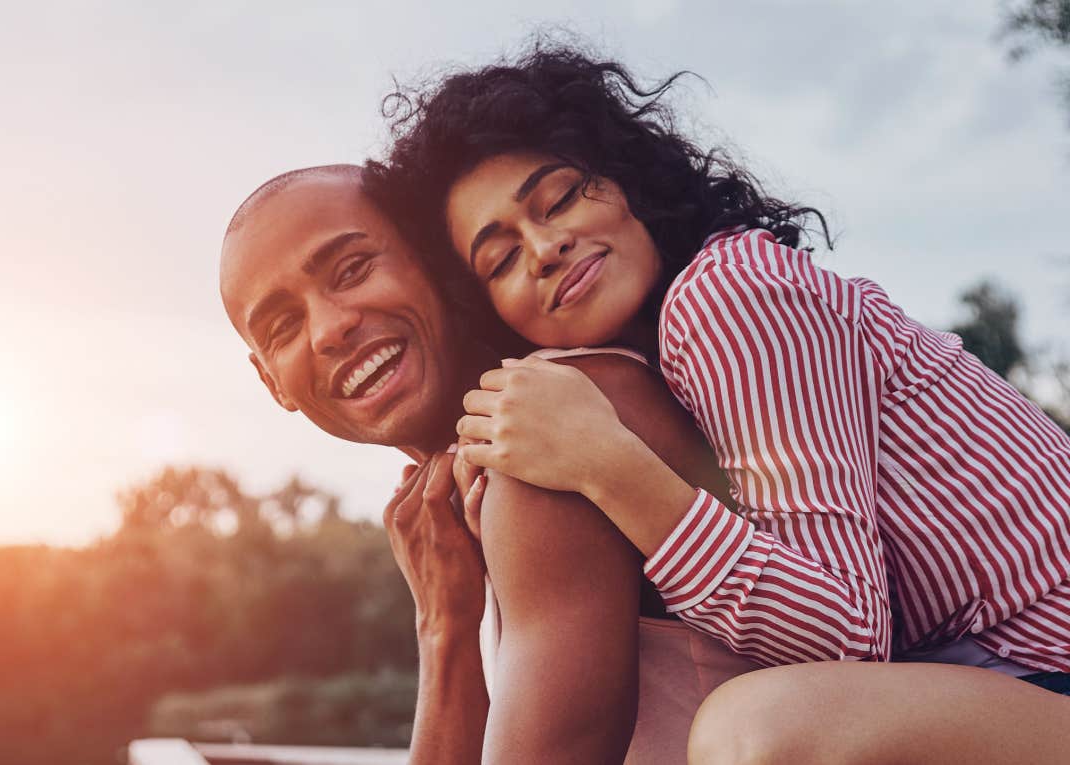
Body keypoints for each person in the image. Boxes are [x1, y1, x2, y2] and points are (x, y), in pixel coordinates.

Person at [365, 43, 1070, 762]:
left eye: (562, 196)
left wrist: (608, 465)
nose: (545, 246)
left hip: (1049, 663)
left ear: (625, 180)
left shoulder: (726, 294)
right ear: (492, 312)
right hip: (1008, 683)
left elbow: (851, 640)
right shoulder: (654, 368)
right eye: (501, 258)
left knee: (754, 727)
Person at [218, 164, 757, 763]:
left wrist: (443, 634)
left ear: (439, 259)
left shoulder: (550, 439)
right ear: (273, 385)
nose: (329, 328)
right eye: (285, 326)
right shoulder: (478, 479)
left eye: (352, 270)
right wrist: (446, 620)